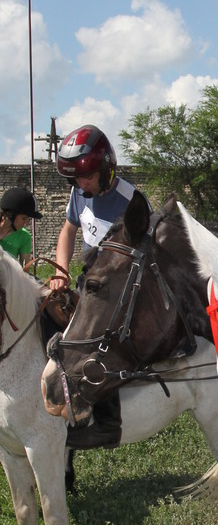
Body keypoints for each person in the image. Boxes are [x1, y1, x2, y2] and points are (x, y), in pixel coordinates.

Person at [50, 124, 144, 450]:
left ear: (106, 169)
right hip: (91, 285)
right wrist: (61, 269)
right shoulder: (79, 194)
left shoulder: (130, 201)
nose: (81, 183)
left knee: (98, 341)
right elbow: (68, 230)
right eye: (76, 178)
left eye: (87, 176)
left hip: (121, 292)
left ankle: (108, 423)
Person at [0, 187, 42, 263]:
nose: (26, 223)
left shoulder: (24, 236)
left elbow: (24, 268)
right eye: (23, 218)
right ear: (11, 214)